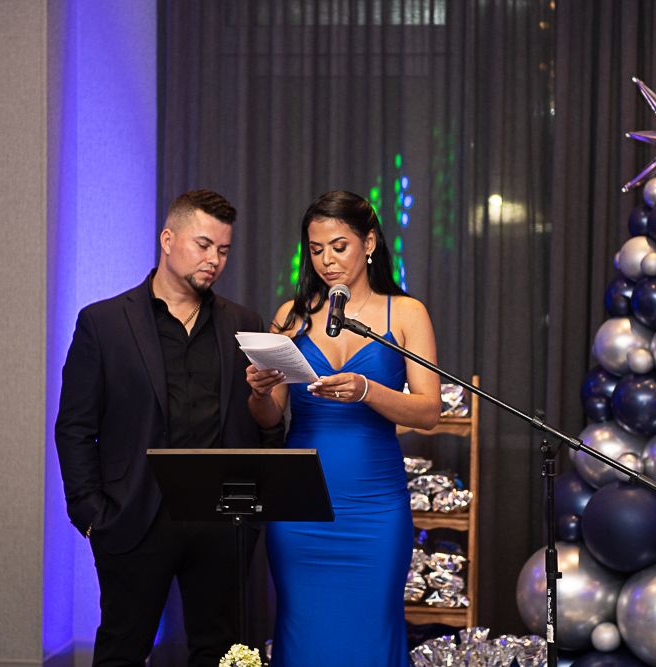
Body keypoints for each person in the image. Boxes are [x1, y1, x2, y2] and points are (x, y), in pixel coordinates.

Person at [55, 189, 282, 666]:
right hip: (134, 516)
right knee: (122, 649)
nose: (214, 260)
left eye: (223, 250)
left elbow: (267, 430)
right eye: (203, 245)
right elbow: (75, 426)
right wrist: (91, 514)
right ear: (167, 239)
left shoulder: (245, 323)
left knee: (221, 653)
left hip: (223, 521)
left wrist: (252, 518)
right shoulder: (103, 322)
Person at [246, 190, 442, 666]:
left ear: (369, 242)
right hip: (300, 506)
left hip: (375, 506)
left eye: (339, 246)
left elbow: (429, 412)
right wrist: (257, 389)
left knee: (372, 633)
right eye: (316, 250)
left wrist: (367, 391)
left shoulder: (406, 313)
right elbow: (269, 417)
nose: (327, 261)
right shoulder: (289, 318)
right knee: (302, 630)